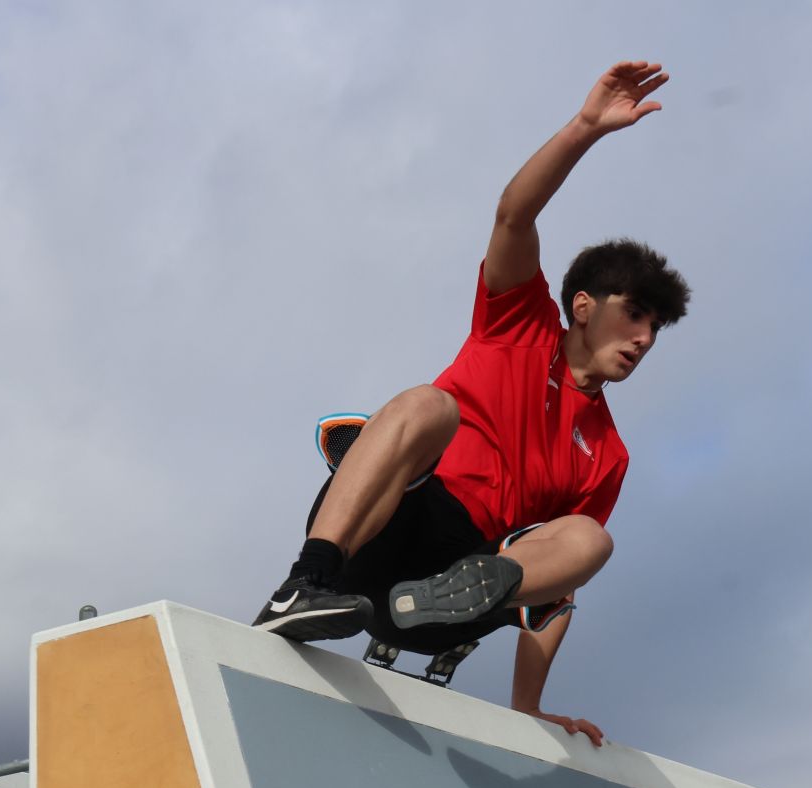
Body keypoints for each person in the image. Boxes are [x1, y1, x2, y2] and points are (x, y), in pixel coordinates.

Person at [253, 61, 690, 747]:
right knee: (430, 406)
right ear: (581, 306)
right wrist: (585, 128)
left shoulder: (608, 451)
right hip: (385, 543)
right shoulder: (518, 322)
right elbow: (515, 213)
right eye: (632, 315)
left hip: (450, 602)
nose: (642, 338)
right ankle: (303, 583)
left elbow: (561, 591)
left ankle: (457, 593)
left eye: (653, 330)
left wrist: (528, 708)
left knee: (589, 540)